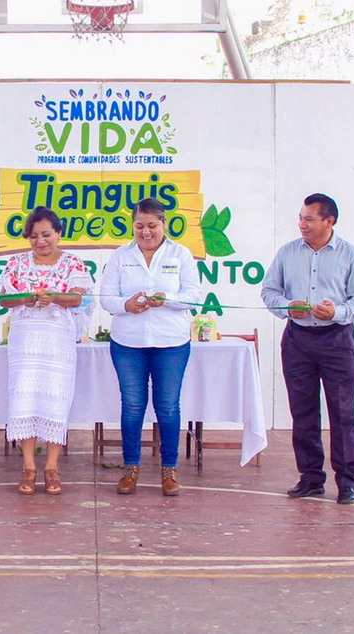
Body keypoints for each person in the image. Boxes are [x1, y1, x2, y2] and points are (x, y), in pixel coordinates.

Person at [262, 193, 354, 505]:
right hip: (297, 339)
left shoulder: (351, 254)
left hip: (337, 339)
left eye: (309, 219)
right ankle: (310, 478)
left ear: (329, 221)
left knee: (343, 412)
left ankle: (347, 482)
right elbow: (269, 291)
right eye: (300, 218)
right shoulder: (287, 253)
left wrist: (337, 311)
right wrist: (287, 306)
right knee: (303, 411)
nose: (302, 224)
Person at [99, 198, 203, 496]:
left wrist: (167, 299)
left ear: (164, 224)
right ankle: (130, 468)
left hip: (171, 343)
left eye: (152, 226)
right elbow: (106, 298)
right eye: (139, 226)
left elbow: (194, 296)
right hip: (128, 343)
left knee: (167, 406)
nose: (145, 232)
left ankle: (169, 470)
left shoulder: (180, 254)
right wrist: (126, 305)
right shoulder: (120, 256)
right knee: (132, 406)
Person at [0, 206, 90, 495]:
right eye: (34, 236)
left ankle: (51, 467)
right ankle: (28, 466)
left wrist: (55, 298)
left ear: (58, 233)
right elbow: (4, 300)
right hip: (25, 343)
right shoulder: (16, 263)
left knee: (55, 400)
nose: (40, 241)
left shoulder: (73, 263)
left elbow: (77, 299)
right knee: (24, 399)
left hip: (57, 343)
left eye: (46, 234)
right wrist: (22, 299)